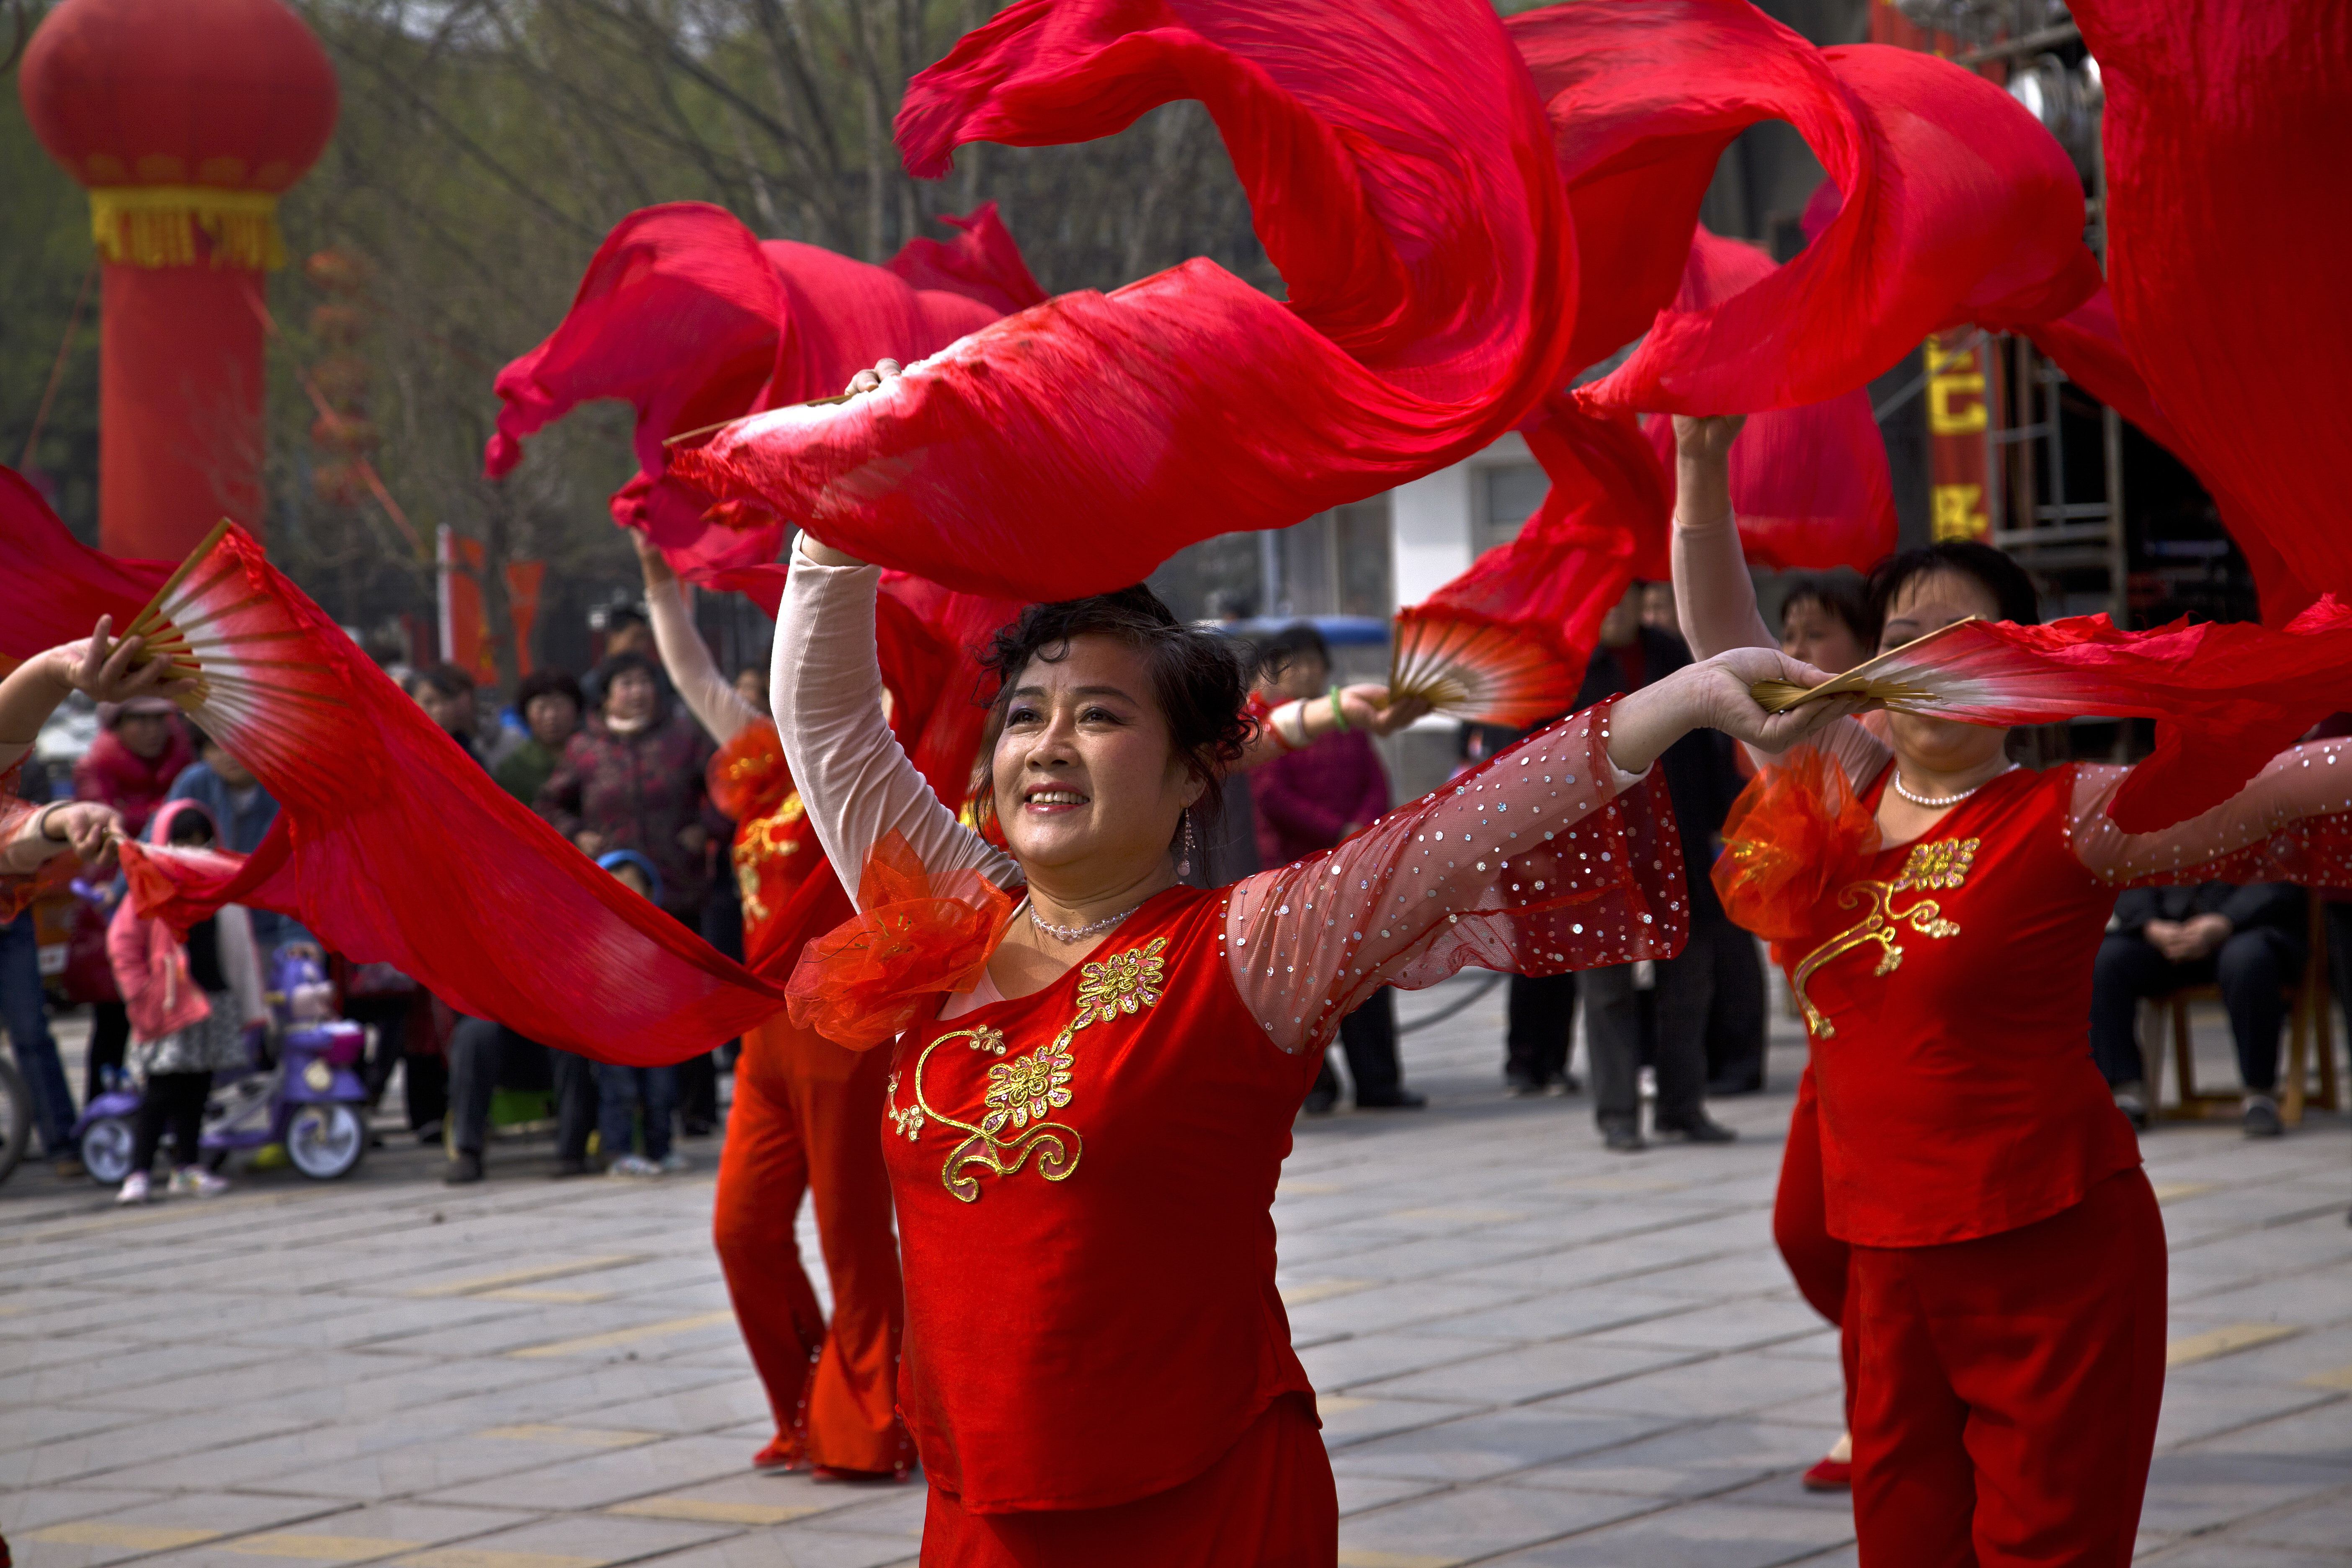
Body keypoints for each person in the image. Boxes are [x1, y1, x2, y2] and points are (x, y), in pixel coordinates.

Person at [774, 402, 1836, 1563]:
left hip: (1205, 1500)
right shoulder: (951, 917)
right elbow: (824, 724)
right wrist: (839, 504)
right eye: (1025, 717)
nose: (1048, 745)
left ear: (1194, 774)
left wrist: (1675, 702)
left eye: (1100, 717)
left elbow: (1447, 837)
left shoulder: (1248, 945)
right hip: (979, 1509)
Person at [1672, 412, 2352, 1563]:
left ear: (2024, 666)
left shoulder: (2068, 813)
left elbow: (2293, 784)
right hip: (1888, 1264)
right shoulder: (1833, 785)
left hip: (2053, 1253)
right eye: (1903, 635)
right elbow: (1723, 645)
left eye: (1960, 634)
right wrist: (1696, 459)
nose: (1926, 653)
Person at [634, 532, 910, 1478]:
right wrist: (657, 580)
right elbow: (692, 670)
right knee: (741, 1230)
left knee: (852, 1235)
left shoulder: (875, 762)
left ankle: (875, 1419)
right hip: (764, 1034)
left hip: (847, 1029)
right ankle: (802, 1404)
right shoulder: (761, 757)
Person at [1574, 583, 1747, 1152]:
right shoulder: (1568, 668)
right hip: (1599, 856)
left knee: (1689, 983)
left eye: (1624, 595)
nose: (1615, 607)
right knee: (1608, 993)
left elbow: (1714, 742)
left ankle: (1682, 1106)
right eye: (1604, 597)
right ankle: (1618, 1113)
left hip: (1680, 846)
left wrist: (1731, 816)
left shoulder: (1672, 656)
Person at [1251, 623, 1424, 1114]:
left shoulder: (1347, 722)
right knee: (1303, 986)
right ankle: (1317, 1085)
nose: (1305, 671)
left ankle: (1380, 1082)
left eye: (1313, 662)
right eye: (1293, 663)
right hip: (1295, 875)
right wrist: (1336, 829)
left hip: (1354, 871)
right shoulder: (1267, 730)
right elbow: (1272, 796)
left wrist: (1363, 830)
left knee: (1366, 978)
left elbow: (1375, 778)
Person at [104, 800, 268, 1203]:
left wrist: (250, 1002)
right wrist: (140, 992)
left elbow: (240, 948)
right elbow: (123, 945)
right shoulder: (149, 885)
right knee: (160, 1092)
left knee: (197, 1092)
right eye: (183, 843)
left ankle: (188, 1168)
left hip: (211, 1001)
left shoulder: (218, 885)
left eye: (202, 842)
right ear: (164, 843)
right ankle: (139, 1172)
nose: (194, 851)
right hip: (167, 1006)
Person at [2091, 881, 2308, 1135]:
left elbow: (2283, 878)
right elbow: (2125, 874)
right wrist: (2149, 924)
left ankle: (2260, 1095)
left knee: (2249, 961)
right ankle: (2125, 1092)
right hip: (2165, 930)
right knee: (2105, 961)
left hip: (2244, 927)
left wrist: (2226, 920)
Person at [72, 695, 196, 1099]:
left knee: (182, 1014)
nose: (151, 730)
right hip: (113, 906)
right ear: (117, 725)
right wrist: (165, 817)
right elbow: (110, 824)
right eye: (138, 721)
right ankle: (100, 1110)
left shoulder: (187, 764)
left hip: (176, 906)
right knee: (112, 1020)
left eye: (159, 719)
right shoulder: (94, 767)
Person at [2, 757, 78, 1176]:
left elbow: (37, 828)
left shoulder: (21, 749)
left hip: (12, 916)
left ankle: (62, 1142)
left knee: (31, 1032)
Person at [588, 849, 682, 1176]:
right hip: (614, 1033)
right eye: (615, 886)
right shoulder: (595, 939)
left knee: (661, 1093)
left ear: (648, 891)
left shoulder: (661, 933)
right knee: (620, 1093)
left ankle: (662, 1150)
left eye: (632, 886)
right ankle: (618, 1152)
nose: (625, 893)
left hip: (656, 1031)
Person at [493, 669, 585, 807]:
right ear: (526, 714)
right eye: (542, 708)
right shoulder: (514, 769)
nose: (551, 716)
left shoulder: (596, 756)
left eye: (559, 705)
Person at [407, 663, 486, 764]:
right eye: (428, 702)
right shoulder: (400, 756)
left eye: (444, 700)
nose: (439, 710)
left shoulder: (470, 757)